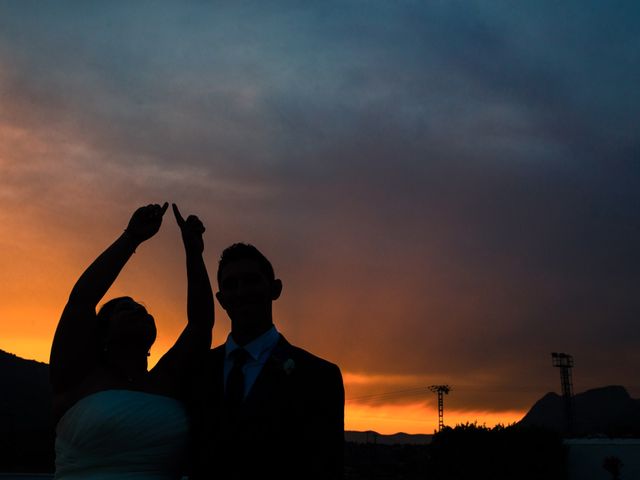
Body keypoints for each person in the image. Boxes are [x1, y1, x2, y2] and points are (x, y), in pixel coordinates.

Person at [50, 202, 214, 480]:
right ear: (103, 332)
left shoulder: (167, 380)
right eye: (126, 309)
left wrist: (193, 252)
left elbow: (200, 325)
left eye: (144, 311)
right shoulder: (77, 377)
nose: (139, 311)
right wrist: (131, 238)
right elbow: (81, 301)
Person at [190, 243, 344, 479]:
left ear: (275, 289)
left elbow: (326, 464)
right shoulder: (197, 370)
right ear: (221, 299)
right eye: (231, 285)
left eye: (251, 281)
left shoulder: (319, 376)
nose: (241, 291)